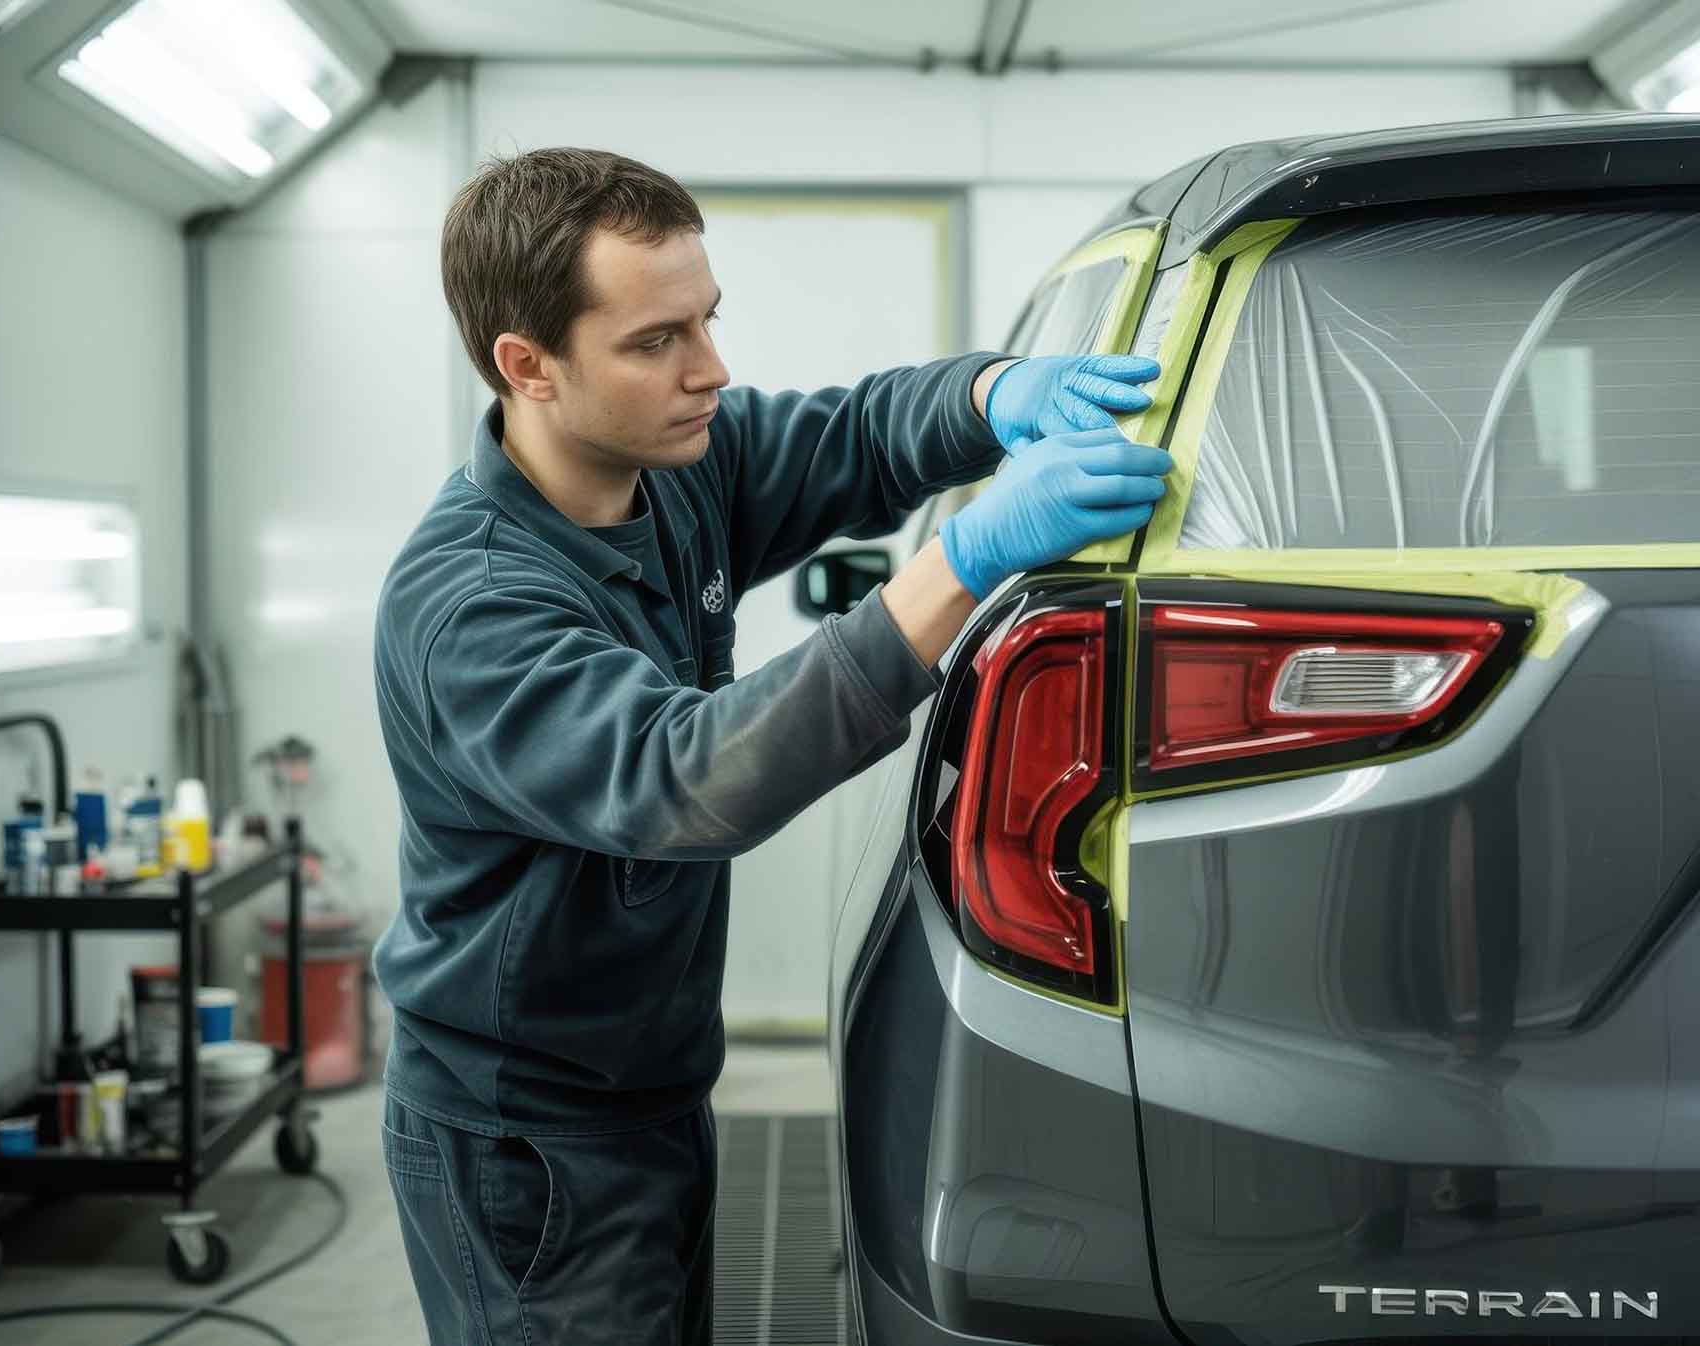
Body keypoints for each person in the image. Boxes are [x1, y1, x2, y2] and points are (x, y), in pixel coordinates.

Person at [368, 146, 1171, 1344]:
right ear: (527, 366)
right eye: (654, 341)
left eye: (707, 318)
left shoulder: (674, 469)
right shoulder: (470, 605)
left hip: (649, 1088)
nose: (709, 369)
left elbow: (858, 434)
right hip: (525, 1142)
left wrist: (995, 392)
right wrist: (962, 562)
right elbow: (688, 776)